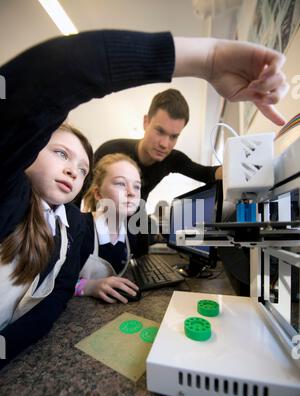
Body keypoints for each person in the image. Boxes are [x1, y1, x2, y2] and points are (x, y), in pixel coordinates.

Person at [0, 30, 288, 368]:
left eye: (81, 166)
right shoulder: (20, 200)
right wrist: (207, 59)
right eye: (60, 154)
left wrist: (258, 163)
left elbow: (211, 174)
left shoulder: (70, 228)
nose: (73, 172)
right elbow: (41, 89)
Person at [93, 88, 222, 203]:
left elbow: (207, 173)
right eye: (160, 131)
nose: (165, 144)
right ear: (146, 122)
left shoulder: (173, 159)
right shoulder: (110, 151)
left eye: (173, 136)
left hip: (138, 224)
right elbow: (78, 195)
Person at [77, 154, 141, 304]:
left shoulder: (131, 235)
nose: (131, 192)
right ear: (98, 193)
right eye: (120, 183)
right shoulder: (79, 227)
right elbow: (50, 281)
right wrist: (89, 286)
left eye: (137, 186)